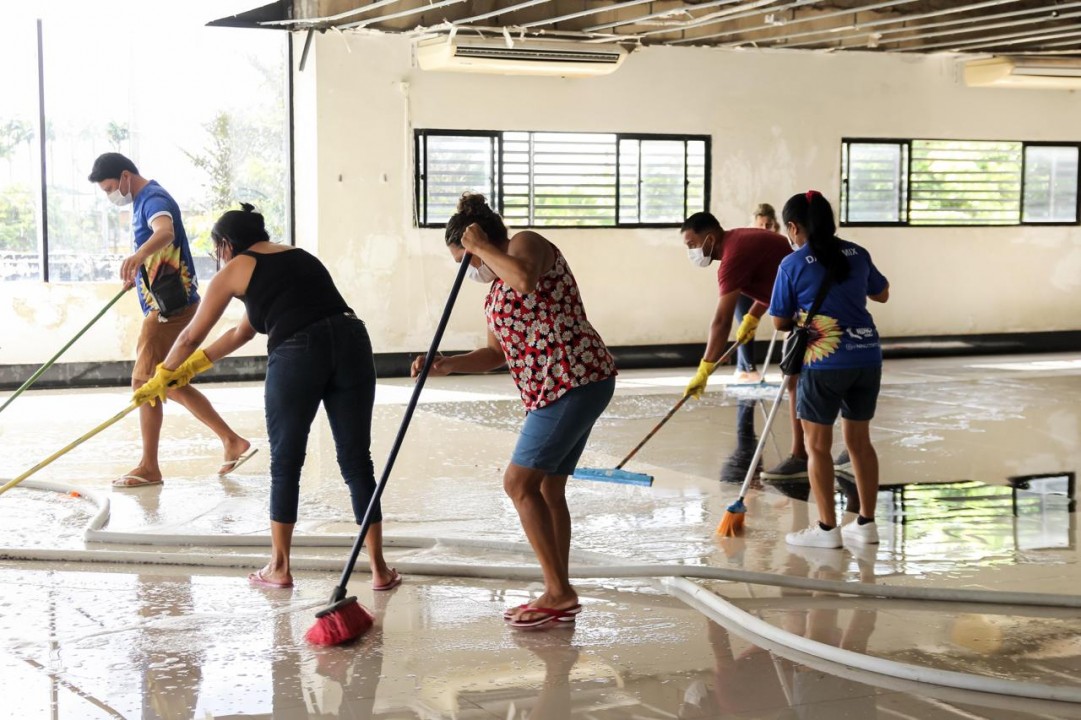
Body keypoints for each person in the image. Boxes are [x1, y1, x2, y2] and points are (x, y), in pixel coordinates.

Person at [132, 203, 397, 591]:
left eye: (217, 249)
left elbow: (190, 335)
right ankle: (379, 570)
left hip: (299, 351)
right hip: (353, 340)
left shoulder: (235, 268)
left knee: (286, 461)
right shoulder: (298, 256)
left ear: (226, 244)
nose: (218, 257)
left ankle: (279, 566)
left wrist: (163, 373)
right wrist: (191, 369)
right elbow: (241, 332)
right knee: (357, 461)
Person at [413, 193, 616, 630]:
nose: (469, 270)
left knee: (518, 484)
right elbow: (493, 353)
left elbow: (526, 279)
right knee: (546, 490)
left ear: (481, 241)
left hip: (572, 381)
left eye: (465, 259)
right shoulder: (494, 289)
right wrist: (446, 365)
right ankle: (558, 588)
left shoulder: (525, 245)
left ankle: (559, 593)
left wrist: (482, 248)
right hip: (553, 391)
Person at [87, 152, 251, 487]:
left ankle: (149, 467)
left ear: (125, 177)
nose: (110, 195)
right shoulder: (145, 199)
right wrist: (138, 273)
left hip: (168, 312)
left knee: (144, 383)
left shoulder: (152, 198)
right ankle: (232, 441)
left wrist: (137, 255)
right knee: (169, 383)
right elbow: (163, 251)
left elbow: (165, 232)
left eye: (109, 188)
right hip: (170, 304)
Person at [769, 191, 889, 549]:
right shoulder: (858, 252)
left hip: (824, 362)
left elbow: (779, 321)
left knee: (817, 446)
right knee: (859, 442)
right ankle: (866, 524)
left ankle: (826, 530)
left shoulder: (792, 264)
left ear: (793, 227)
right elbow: (881, 294)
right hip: (867, 356)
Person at [680, 211, 809, 480]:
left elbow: (721, 320)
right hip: (804, 306)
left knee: (798, 380)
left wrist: (705, 367)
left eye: (692, 245)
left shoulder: (733, 256)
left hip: (811, 309)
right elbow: (774, 279)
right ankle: (812, 452)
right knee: (799, 380)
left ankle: (801, 456)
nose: (691, 252)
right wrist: (753, 315)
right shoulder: (739, 241)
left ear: (710, 238)